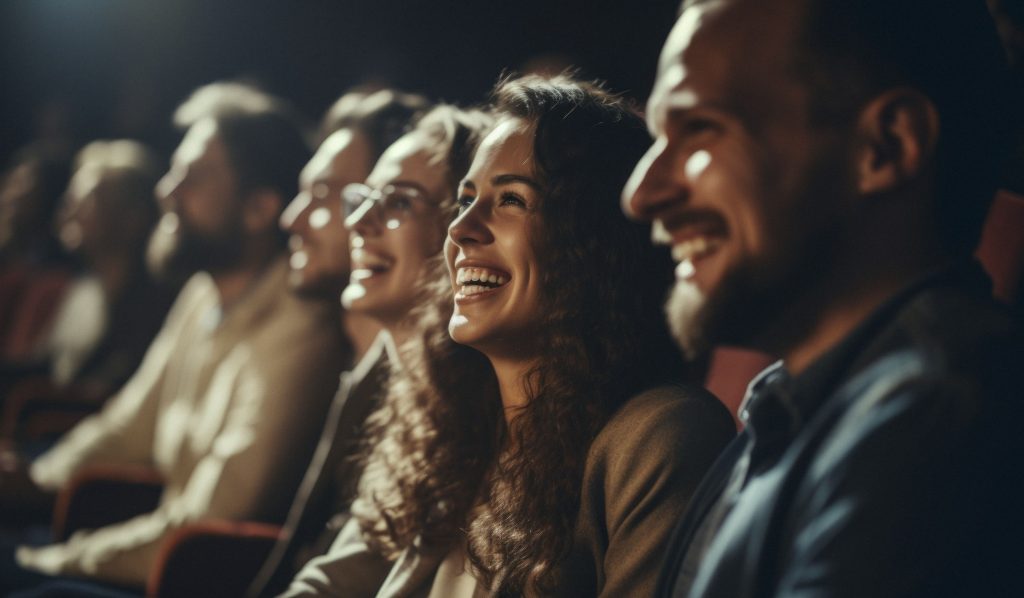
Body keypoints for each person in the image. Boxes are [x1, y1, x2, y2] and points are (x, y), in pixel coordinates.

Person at [622, 1, 1023, 596]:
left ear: (886, 146)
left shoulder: (933, 422)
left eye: (701, 128)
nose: (641, 193)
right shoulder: (808, 411)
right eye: (659, 137)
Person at [293, 74, 735, 597]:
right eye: (465, 200)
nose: (460, 230)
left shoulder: (663, 435)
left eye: (511, 201)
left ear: (593, 243)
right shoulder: (460, 438)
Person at [5, 82, 345, 592]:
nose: (166, 191)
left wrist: (59, 558)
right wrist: (37, 479)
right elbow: (129, 425)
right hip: (150, 550)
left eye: (192, 176)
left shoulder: (301, 325)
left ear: (259, 208)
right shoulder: (202, 294)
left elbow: (210, 520)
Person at [275, 102, 494, 598]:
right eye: (362, 197)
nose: (357, 221)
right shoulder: (408, 389)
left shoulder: (476, 404)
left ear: (461, 231)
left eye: (397, 202)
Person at [247, 89, 432, 596]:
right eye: (351, 201)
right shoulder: (358, 365)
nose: (293, 218)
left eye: (325, 194)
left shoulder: (435, 390)